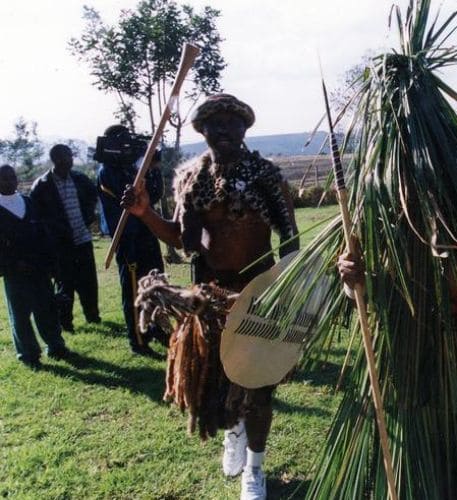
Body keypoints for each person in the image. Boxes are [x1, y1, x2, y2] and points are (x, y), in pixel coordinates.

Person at [122, 94, 298, 500]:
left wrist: (287, 287)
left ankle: (255, 468)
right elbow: (181, 238)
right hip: (210, 297)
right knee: (221, 382)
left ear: (244, 129)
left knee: (259, 386)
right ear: (202, 131)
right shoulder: (191, 178)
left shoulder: (266, 176)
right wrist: (145, 213)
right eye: (214, 123)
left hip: (258, 292)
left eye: (232, 123)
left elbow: (290, 239)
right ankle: (234, 431)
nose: (223, 130)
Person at [97, 125, 165, 355]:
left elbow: (154, 194)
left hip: (147, 231)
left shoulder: (134, 166)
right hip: (127, 237)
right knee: (134, 289)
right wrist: (140, 169)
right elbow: (127, 195)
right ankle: (138, 340)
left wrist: (151, 167)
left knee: (156, 282)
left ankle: (157, 327)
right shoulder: (107, 171)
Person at [0, 165, 70, 369]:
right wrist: (12, 263)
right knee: (20, 314)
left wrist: (52, 264)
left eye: (12, 177)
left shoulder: (28, 202)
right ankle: (28, 353)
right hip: (15, 272)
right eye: (4, 178)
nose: (9, 181)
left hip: (39, 267)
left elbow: (43, 234)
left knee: (46, 309)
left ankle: (56, 346)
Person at [30, 144, 100, 332]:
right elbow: (37, 218)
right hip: (60, 245)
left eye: (70, 156)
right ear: (56, 160)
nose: (70, 160)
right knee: (65, 284)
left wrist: (89, 216)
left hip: (83, 239)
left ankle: (93, 316)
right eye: (66, 157)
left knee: (88, 283)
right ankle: (66, 323)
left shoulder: (79, 179)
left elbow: (93, 195)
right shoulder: (42, 185)